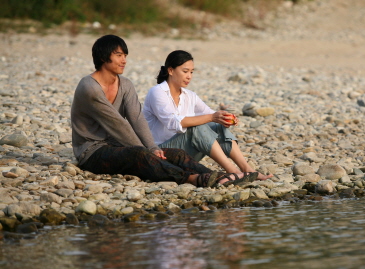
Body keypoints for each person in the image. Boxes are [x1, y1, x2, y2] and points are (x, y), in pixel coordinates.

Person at [71, 35, 256, 187]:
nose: (124, 60)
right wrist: (147, 150)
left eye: (125, 55)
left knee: (176, 154)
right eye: (119, 55)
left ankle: (217, 177)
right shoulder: (90, 88)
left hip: (117, 145)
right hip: (92, 151)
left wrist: (153, 148)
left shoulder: (125, 84)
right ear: (103, 57)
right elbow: (118, 125)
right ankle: (191, 179)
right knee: (140, 154)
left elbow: (136, 118)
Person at [143, 50, 272, 181]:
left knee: (216, 125)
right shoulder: (157, 92)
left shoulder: (189, 95)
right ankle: (232, 171)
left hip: (184, 153)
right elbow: (174, 123)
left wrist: (224, 117)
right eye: (185, 71)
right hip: (162, 154)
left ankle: (247, 169)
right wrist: (212, 117)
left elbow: (211, 115)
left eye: (192, 72)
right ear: (170, 71)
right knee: (196, 127)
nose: (189, 76)